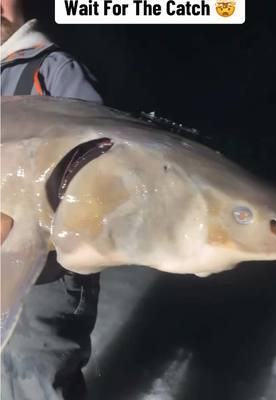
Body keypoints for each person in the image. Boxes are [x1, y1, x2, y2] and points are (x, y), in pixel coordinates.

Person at [1, 1, 103, 399]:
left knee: (34, 385)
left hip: (43, 277)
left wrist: (22, 215)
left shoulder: (54, 68)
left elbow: (102, 170)